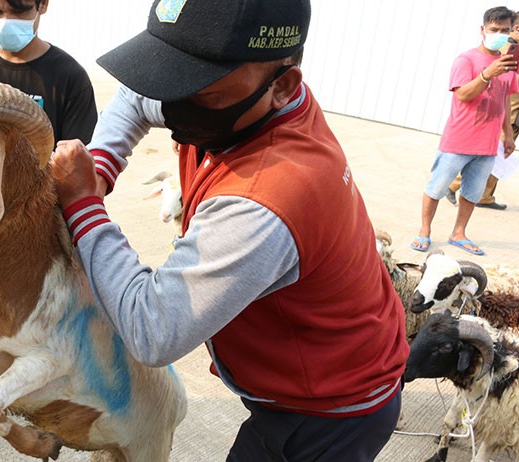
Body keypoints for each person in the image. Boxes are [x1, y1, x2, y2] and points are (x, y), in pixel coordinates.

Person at [50, 1, 409, 460]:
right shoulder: (246, 106)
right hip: (305, 364)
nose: (174, 101)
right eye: (167, 74)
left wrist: (83, 204)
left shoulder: (268, 198)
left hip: (330, 407)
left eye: (198, 87)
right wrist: (100, 166)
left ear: (283, 85)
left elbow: (153, 328)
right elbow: (135, 98)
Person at [0, 0, 97, 446]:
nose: (7, 20)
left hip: (35, 231)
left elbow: (77, 167)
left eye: (21, 8)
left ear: (43, 4)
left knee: (34, 325)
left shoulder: (67, 77)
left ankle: (42, 398)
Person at [411, 6, 519, 256]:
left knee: (472, 193)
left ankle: (458, 233)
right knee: (437, 187)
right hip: (458, 140)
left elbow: (504, 98)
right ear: (483, 30)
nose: (499, 35)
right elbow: (462, 95)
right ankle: (424, 230)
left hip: (488, 145)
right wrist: (486, 74)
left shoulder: (508, 65)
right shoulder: (466, 60)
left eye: (504, 30)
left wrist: (508, 134)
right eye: (494, 29)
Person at [445, 8, 519, 211]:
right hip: (506, 113)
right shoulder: (508, 49)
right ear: (517, 28)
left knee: (497, 157)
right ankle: (452, 186)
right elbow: (509, 81)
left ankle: (485, 196)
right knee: (489, 156)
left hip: (514, 113)